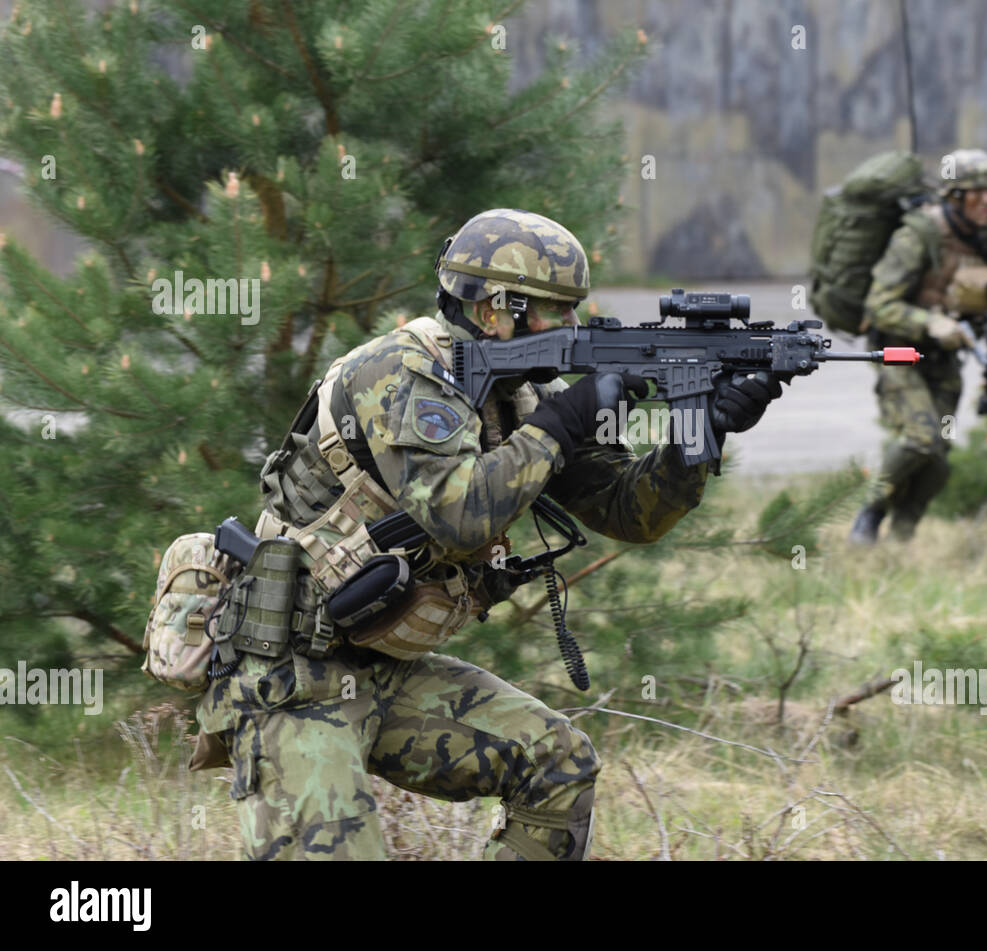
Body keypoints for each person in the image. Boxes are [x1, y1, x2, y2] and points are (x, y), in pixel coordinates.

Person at [193, 208, 784, 860]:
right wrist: (567, 418)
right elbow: (460, 512)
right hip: (289, 679)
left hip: (382, 669)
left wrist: (699, 438)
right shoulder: (399, 373)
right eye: (555, 310)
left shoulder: (520, 398)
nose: (572, 326)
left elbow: (628, 512)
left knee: (558, 765)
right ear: (497, 309)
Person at [849, 149, 987, 544]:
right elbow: (878, 306)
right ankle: (869, 515)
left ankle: (902, 536)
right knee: (920, 439)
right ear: (954, 197)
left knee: (938, 459)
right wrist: (930, 322)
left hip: (945, 362)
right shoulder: (918, 236)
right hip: (899, 353)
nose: (985, 201)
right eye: (973, 193)